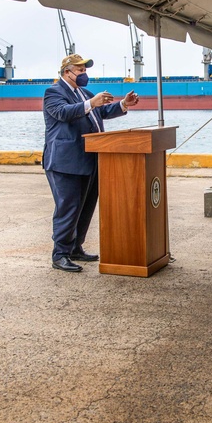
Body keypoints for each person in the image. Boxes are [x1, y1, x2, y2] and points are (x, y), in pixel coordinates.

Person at [43, 53, 139, 272]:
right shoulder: (53, 93)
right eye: (81, 71)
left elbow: (101, 111)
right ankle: (60, 254)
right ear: (67, 72)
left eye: (85, 71)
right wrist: (90, 102)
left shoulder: (83, 93)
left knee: (85, 207)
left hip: (90, 159)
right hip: (64, 162)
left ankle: (76, 247)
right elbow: (62, 112)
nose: (85, 75)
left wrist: (123, 104)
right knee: (68, 207)